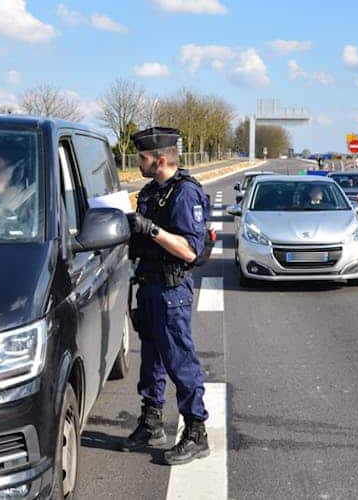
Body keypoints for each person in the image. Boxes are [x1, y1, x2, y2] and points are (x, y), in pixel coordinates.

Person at [122, 127, 210, 466]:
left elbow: (190, 250)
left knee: (180, 361)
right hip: (148, 286)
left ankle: (196, 432)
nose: (137, 162)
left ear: (160, 160)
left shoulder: (185, 194)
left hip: (172, 289)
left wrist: (151, 230)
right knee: (152, 361)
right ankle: (152, 422)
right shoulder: (150, 191)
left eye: (141, 158)